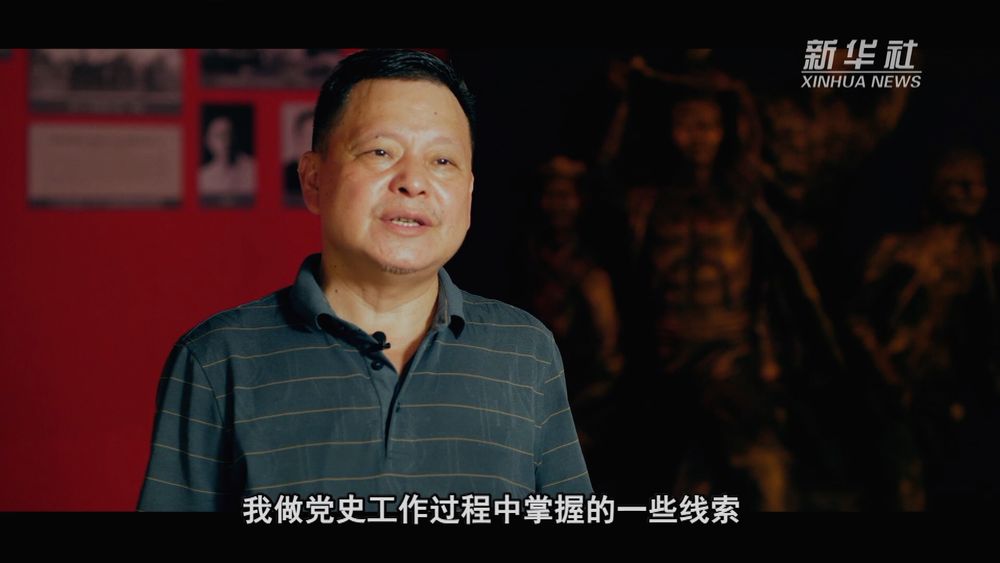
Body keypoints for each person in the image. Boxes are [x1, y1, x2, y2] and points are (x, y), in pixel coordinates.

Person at [137, 49, 592, 512]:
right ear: (313, 180)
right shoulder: (218, 360)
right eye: (381, 152)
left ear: (469, 193)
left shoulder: (524, 352)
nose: (413, 182)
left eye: (442, 161)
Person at [199, 112, 257, 206]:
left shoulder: (254, 168)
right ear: (208, 141)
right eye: (218, 136)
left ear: (235, 137)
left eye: (228, 134)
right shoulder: (202, 177)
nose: (224, 140)